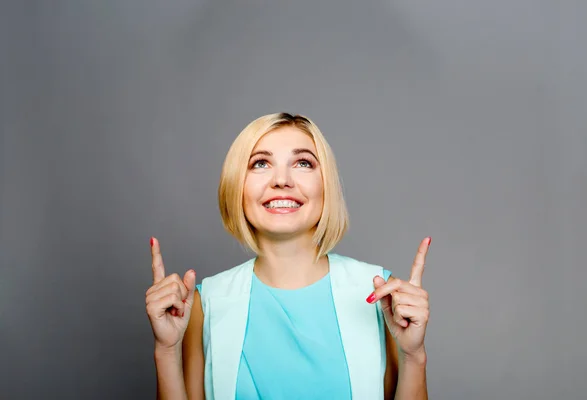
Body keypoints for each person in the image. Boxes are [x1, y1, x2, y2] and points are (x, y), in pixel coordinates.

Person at [145, 113, 431, 400]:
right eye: (260, 163)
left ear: (326, 185)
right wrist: (166, 350)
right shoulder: (206, 303)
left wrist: (414, 356)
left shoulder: (379, 293)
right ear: (237, 186)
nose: (281, 180)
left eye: (303, 163)